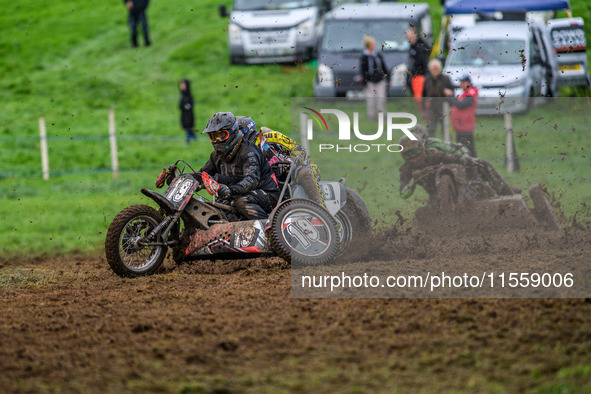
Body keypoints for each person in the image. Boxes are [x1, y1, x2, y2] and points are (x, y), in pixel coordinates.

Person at [198, 112, 280, 220]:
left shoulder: (248, 151)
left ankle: (267, 232)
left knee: (241, 202)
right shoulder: (216, 156)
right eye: (214, 136)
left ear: (233, 132)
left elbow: (252, 179)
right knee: (210, 208)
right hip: (241, 194)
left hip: (268, 194)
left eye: (222, 135)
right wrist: (180, 179)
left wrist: (230, 190)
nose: (217, 140)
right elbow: (202, 174)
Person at [398, 126, 515, 200]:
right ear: (402, 155)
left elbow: (457, 150)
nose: (413, 158)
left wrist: (465, 159)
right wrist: (414, 180)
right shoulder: (406, 169)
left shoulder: (435, 151)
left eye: (415, 152)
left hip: (457, 176)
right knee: (421, 216)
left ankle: (507, 195)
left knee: (481, 163)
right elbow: (403, 194)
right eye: (408, 154)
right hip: (436, 195)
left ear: (422, 146)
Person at [238, 119, 325, 207]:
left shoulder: (270, 136)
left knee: (304, 173)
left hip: (301, 169)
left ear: (246, 129)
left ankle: (322, 210)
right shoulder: (242, 152)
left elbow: (299, 149)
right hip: (277, 183)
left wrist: (287, 164)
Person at [446, 75, 478, 157]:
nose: (461, 84)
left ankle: (472, 162)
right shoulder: (464, 93)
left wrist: (451, 96)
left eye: (463, 82)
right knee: (461, 146)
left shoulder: (471, 93)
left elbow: (461, 105)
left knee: (468, 147)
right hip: (460, 125)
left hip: (465, 125)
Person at [422, 59, 454, 138]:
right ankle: (430, 146)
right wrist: (423, 110)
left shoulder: (446, 79)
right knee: (431, 128)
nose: (435, 70)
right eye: (433, 69)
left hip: (444, 106)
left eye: (437, 69)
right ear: (430, 69)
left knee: (445, 128)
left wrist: (449, 92)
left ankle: (447, 146)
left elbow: (452, 92)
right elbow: (423, 95)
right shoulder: (427, 79)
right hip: (432, 107)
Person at [360, 35, 389, 122]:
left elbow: (384, 67)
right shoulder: (364, 57)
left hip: (380, 81)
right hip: (370, 82)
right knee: (371, 100)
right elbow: (363, 70)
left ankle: (382, 116)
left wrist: (387, 77)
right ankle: (371, 117)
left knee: (381, 99)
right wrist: (364, 82)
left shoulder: (378, 55)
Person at [406, 27, 430, 107]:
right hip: (415, 74)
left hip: (420, 75)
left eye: (410, 34)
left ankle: (427, 114)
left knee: (420, 97)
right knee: (417, 96)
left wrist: (424, 74)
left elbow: (423, 61)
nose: (408, 37)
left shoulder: (420, 46)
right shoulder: (412, 46)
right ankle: (423, 114)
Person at [179, 79, 197, 144]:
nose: (182, 86)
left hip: (188, 115)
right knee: (188, 128)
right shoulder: (183, 95)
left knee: (189, 127)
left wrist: (185, 107)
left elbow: (190, 105)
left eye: (183, 85)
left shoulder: (188, 95)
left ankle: (187, 141)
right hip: (184, 115)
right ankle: (195, 139)